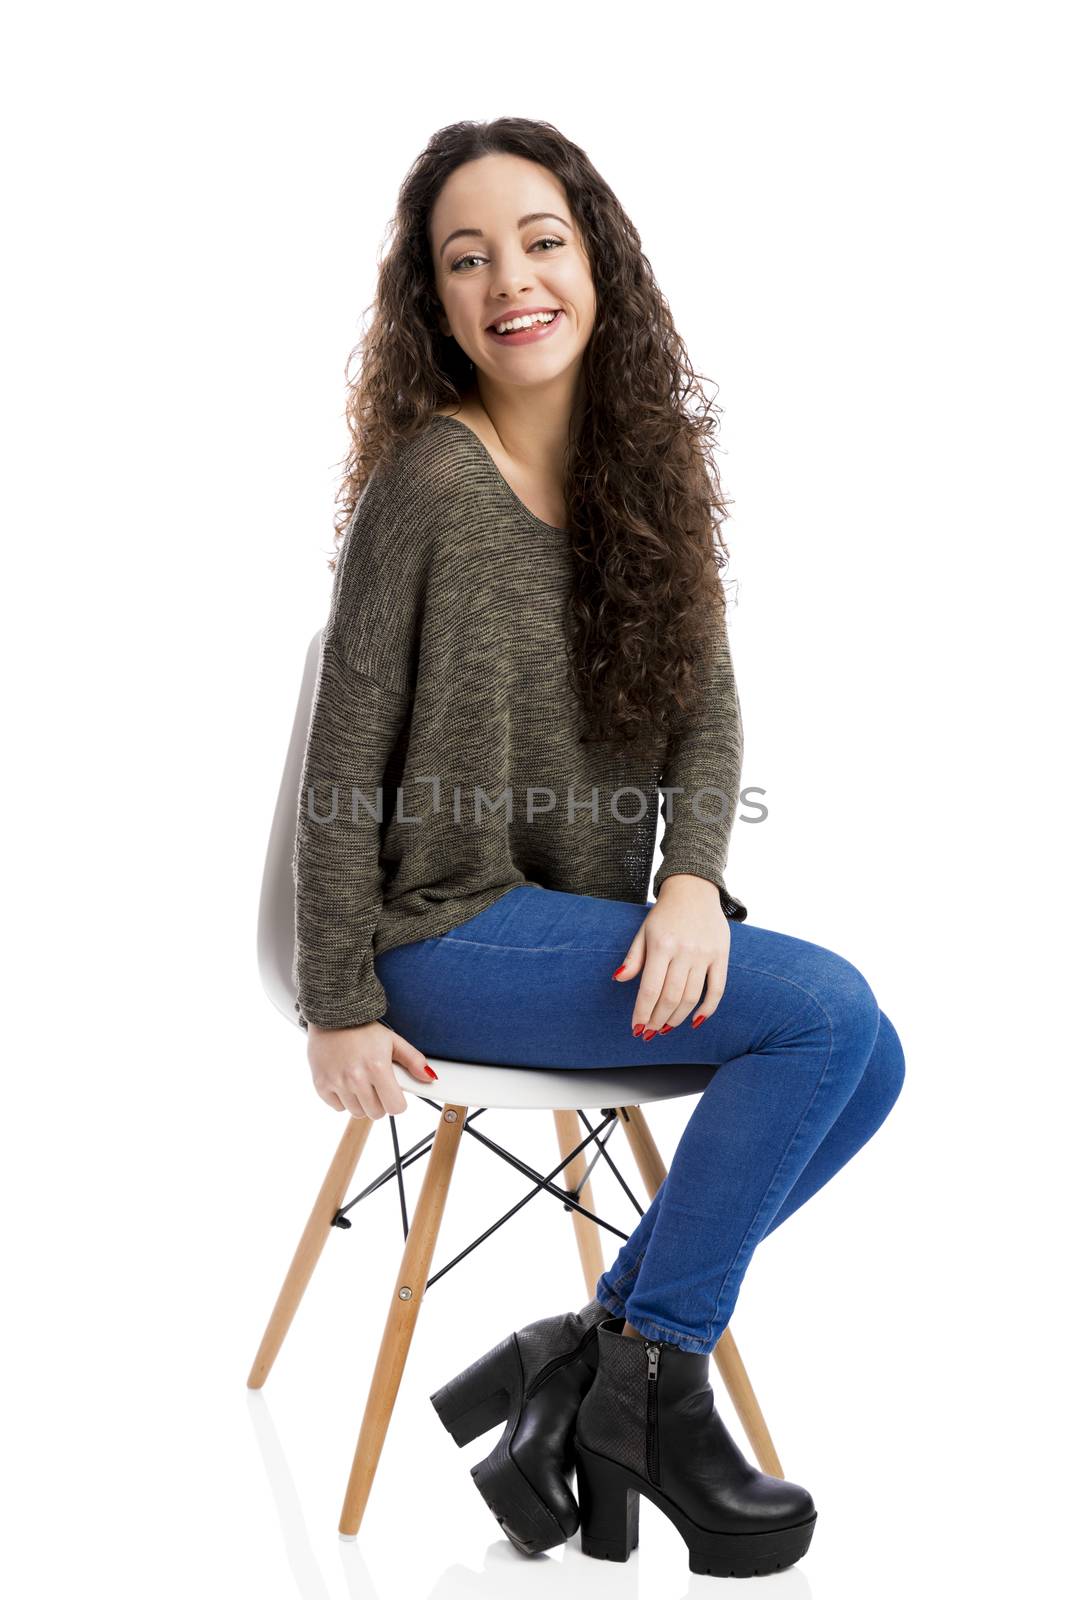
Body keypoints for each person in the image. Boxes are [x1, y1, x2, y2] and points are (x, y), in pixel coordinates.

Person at [292, 118, 905, 1578]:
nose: (512, 277)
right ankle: (652, 1395)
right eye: (468, 257)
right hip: (444, 938)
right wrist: (336, 998)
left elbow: (710, 719)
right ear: (435, 306)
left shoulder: (649, 472)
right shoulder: (433, 485)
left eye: (542, 240)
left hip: (570, 927)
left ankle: (590, 1359)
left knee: (868, 1056)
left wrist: (692, 879)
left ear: (597, 262)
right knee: (822, 1013)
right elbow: (342, 759)